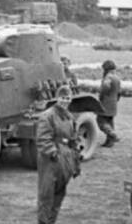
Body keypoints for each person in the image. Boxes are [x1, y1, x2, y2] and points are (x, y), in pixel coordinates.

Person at [36, 85, 81, 224]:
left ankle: (51, 221)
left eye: (67, 98)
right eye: (62, 98)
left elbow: (74, 140)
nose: (65, 101)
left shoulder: (70, 117)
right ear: (57, 98)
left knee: (59, 194)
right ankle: (43, 221)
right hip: (51, 160)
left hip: (66, 159)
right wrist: (53, 153)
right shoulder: (47, 115)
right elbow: (43, 139)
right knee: (46, 194)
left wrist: (76, 162)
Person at [98, 60, 121, 147]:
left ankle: (112, 133)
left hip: (105, 102)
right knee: (110, 122)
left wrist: (103, 94)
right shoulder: (117, 78)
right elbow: (119, 93)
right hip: (114, 103)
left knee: (100, 121)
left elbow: (105, 86)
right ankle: (110, 142)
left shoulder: (108, 77)